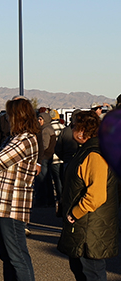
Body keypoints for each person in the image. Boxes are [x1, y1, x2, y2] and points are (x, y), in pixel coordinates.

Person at [57, 110, 118, 281]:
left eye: (74, 126)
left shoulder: (94, 154)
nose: (71, 129)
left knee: (91, 272)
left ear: (82, 130)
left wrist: (74, 213)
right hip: (86, 225)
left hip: (89, 227)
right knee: (82, 270)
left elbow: (97, 195)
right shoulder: (88, 150)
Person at [0, 98, 40, 281]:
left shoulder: (24, 140)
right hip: (2, 204)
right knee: (7, 257)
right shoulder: (12, 138)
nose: (6, 118)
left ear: (18, 116)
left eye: (8, 114)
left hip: (11, 206)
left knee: (17, 257)